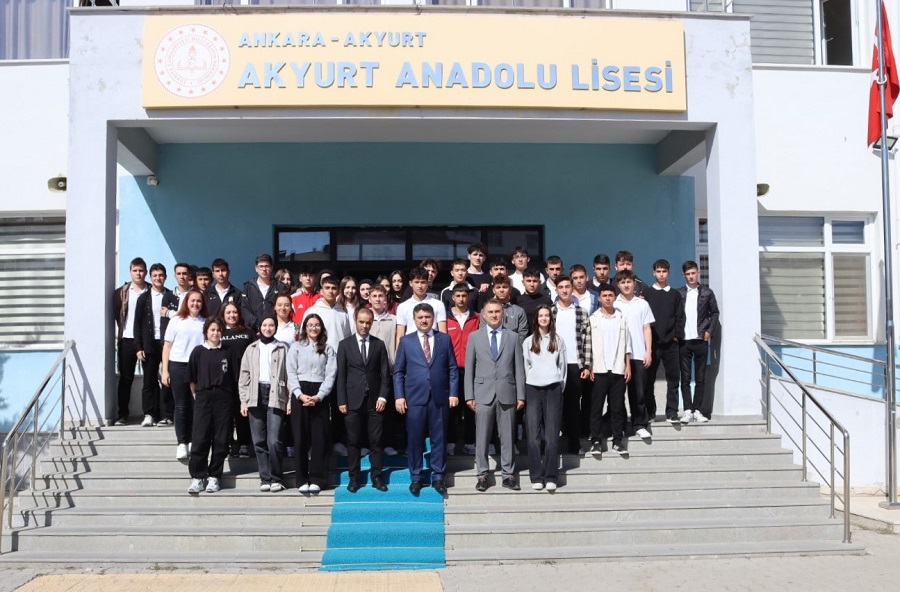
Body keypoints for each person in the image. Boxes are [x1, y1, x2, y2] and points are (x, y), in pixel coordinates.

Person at [393, 303, 459, 495]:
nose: (424, 320)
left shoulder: (444, 339)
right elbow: (398, 372)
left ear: (433, 318)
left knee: (439, 438)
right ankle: (416, 476)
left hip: (439, 397)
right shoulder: (406, 341)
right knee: (414, 439)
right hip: (415, 398)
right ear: (414, 319)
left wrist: (453, 393)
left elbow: (453, 369)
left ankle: (438, 476)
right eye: (420, 317)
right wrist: (399, 396)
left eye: (427, 317)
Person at [465, 299, 526, 492]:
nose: (493, 315)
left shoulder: (513, 337)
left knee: (507, 437)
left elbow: (519, 368)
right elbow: (469, 369)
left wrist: (521, 395)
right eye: (490, 312)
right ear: (483, 314)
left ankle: (508, 475)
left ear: (503, 314)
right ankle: (482, 474)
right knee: (481, 437)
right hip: (482, 394)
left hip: (507, 392)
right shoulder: (474, 337)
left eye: (497, 311)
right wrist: (469, 395)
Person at [337, 308, 391, 492]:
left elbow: (385, 375)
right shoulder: (344, 345)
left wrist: (383, 396)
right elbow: (341, 376)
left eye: (368, 322)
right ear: (355, 321)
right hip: (352, 400)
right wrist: (341, 400)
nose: (364, 325)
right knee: (353, 441)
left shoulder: (379, 344)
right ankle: (354, 478)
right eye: (361, 322)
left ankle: (377, 476)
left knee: (376, 441)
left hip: (375, 401)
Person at [186, 318, 239, 494]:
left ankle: (214, 476)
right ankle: (197, 477)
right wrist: (197, 395)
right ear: (206, 332)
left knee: (221, 438)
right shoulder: (198, 352)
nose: (215, 333)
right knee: (200, 437)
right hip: (203, 396)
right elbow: (192, 378)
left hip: (224, 398)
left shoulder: (228, 352)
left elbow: (233, 377)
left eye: (218, 330)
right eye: (212, 330)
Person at [239, 315, 290, 493]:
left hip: (276, 394)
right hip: (256, 394)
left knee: (274, 440)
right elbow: (244, 376)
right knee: (259, 440)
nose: (268, 328)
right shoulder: (251, 348)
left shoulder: (283, 348)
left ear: (275, 328)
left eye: (271, 325)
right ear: (259, 328)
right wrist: (244, 401)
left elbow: (289, 374)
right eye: (265, 325)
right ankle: (265, 478)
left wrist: (289, 400)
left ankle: (277, 477)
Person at [287, 313, 337, 494]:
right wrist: (299, 395)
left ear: (321, 328)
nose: (313, 328)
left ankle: (318, 479)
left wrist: (319, 396)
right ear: (304, 328)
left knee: (319, 438)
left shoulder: (328, 349)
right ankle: (301, 479)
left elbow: (331, 374)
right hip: (300, 393)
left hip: (320, 395)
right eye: (310, 325)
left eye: (317, 325)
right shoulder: (296, 347)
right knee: (300, 438)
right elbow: (290, 373)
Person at [303, 275, 352, 456]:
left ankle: (337, 441)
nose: (331, 291)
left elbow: (347, 339)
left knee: (339, 404)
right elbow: (304, 339)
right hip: (318, 365)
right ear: (321, 289)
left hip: (339, 364)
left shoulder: (343, 312)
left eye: (334, 288)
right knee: (319, 406)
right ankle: (317, 443)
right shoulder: (313, 311)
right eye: (328, 287)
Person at [523, 304, 567, 491]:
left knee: (551, 436)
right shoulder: (528, 342)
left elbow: (563, 367)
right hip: (533, 388)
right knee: (533, 435)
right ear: (536, 318)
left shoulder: (558, 340)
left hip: (553, 389)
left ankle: (551, 476)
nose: (543, 318)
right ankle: (536, 476)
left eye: (546, 315)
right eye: (540, 315)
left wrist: (558, 384)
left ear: (551, 318)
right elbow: (526, 366)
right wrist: (531, 382)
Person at [162, 289, 208, 460]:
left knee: (197, 406)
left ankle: (193, 440)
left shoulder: (206, 322)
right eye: (192, 300)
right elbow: (167, 346)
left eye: (199, 301)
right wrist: (165, 370)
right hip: (178, 365)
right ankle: (182, 442)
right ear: (186, 302)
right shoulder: (176, 321)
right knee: (181, 406)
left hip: (198, 368)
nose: (195, 304)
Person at [587, 284, 632, 458]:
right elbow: (588, 345)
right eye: (604, 295)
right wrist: (589, 366)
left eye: (610, 295)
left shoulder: (621, 318)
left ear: (614, 297)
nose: (607, 298)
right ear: (599, 298)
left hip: (618, 369)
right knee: (596, 407)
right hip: (598, 369)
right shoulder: (593, 319)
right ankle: (596, 441)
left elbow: (627, 344)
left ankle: (617, 441)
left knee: (617, 407)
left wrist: (627, 365)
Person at [552, 275, 592, 455]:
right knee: (555, 405)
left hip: (575, 363)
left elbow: (587, 340)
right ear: (557, 290)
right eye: (561, 287)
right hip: (554, 364)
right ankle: (554, 445)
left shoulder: (581, 312)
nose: (565, 290)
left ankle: (574, 444)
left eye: (568, 286)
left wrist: (586, 365)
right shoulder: (551, 312)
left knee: (574, 406)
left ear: (572, 288)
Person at [134, 262, 177, 427]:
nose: (158, 278)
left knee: (168, 378)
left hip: (168, 343)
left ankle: (167, 414)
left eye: (161, 275)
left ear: (165, 277)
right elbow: (137, 324)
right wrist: (138, 347)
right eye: (155, 276)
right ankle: (149, 413)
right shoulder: (143, 298)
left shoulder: (171, 296)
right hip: (149, 344)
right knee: (149, 380)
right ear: (150, 278)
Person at [643, 259, 685, 423]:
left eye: (664, 271)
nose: (661, 274)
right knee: (648, 380)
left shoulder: (675, 294)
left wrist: (676, 335)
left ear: (669, 273)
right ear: (653, 273)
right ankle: (650, 411)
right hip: (652, 344)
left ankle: (672, 411)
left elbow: (680, 317)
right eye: (658, 271)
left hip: (671, 344)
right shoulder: (647, 293)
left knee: (673, 379)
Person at [677, 260, 720, 423]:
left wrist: (709, 331)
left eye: (693, 273)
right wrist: (677, 334)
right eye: (687, 274)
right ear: (684, 275)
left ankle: (699, 410)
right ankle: (688, 410)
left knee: (700, 377)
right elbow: (675, 315)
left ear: (698, 273)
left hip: (701, 339)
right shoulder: (679, 293)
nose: (691, 277)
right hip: (684, 341)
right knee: (686, 378)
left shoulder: (707, 293)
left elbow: (715, 313)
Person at [614, 270, 653, 439]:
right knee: (618, 393)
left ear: (634, 283)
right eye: (622, 282)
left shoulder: (642, 304)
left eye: (629, 282)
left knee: (639, 392)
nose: (626, 285)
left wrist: (648, 351)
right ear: (618, 285)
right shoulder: (614, 304)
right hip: (619, 356)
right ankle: (621, 426)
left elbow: (646, 328)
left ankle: (640, 424)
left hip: (638, 353)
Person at [112, 257, 148, 425]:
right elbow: (117, 314)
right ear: (130, 272)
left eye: (141, 270)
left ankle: (152, 414)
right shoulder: (121, 293)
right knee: (126, 379)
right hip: (127, 339)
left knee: (151, 378)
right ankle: (122, 414)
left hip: (147, 340)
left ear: (146, 272)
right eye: (135, 270)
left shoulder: (152, 291)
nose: (138, 273)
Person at [218, 301, 255, 458]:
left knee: (242, 413)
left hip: (244, 379)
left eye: (234, 312)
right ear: (223, 315)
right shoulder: (218, 332)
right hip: (224, 380)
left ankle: (244, 443)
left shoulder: (248, 332)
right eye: (228, 313)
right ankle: (226, 443)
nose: (232, 315)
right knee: (225, 413)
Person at [446, 284, 480, 455]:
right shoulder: (445, 319)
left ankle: (470, 442)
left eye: (464, 295)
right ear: (453, 297)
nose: (461, 299)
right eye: (458, 295)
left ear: (469, 297)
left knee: (471, 407)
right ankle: (450, 442)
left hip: (471, 369)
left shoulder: (477, 318)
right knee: (451, 407)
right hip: (450, 370)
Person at [396, 267, 447, 347]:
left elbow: (443, 332)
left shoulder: (438, 304)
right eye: (416, 282)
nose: (420, 286)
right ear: (410, 283)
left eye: (423, 282)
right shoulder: (403, 306)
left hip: (433, 346)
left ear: (427, 283)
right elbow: (400, 334)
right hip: (410, 347)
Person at [242, 254, 279, 331]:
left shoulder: (279, 286)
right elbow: (244, 308)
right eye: (261, 266)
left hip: (274, 329)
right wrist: (258, 325)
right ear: (256, 268)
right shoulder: (248, 287)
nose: (264, 269)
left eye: (267, 266)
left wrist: (271, 325)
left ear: (271, 268)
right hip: (253, 330)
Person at [517, 268, 552, 334]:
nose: (532, 284)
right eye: (528, 281)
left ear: (540, 282)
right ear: (523, 282)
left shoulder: (547, 301)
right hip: (523, 340)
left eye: (535, 281)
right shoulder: (517, 301)